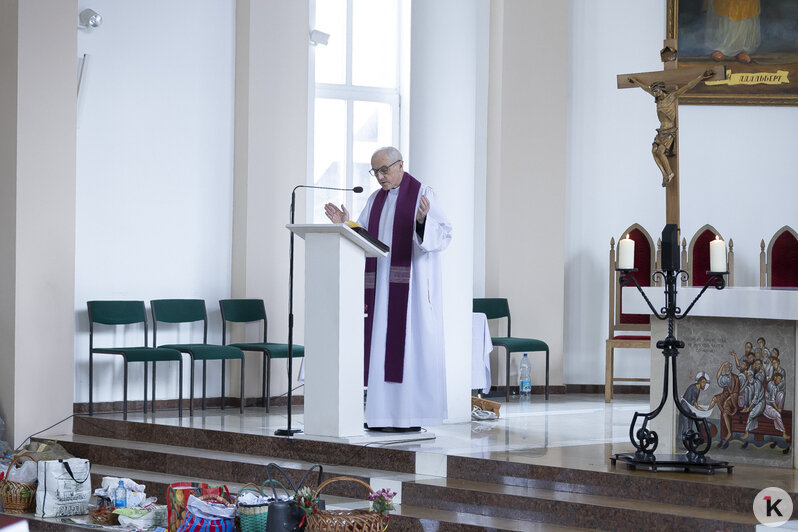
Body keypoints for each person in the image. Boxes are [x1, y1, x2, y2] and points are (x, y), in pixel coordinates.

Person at [324, 147, 452, 431]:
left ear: (400, 165)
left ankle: (408, 417)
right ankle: (381, 416)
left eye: (384, 170)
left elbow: (443, 235)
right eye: (375, 172)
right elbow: (368, 238)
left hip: (411, 294)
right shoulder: (376, 199)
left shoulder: (422, 194)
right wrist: (346, 225)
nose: (380, 177)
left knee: (406, 351)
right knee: (381, 349)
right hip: (382, 292)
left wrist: (422, 221)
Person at [628, 70, 714, 187]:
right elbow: (645, 88)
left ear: (661, 89)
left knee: (660, 151)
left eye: (656, 91)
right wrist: (636, 82)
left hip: (669, 131)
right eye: (654, 92)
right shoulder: (657, 99)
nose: (655, 93)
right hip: (661, 131)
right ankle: (664, 174)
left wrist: (701, 77)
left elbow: (688, 86)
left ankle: (669, 173)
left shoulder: (672, 96)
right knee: (653, 151)